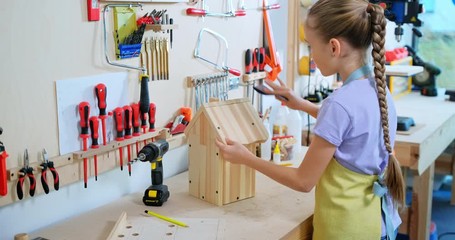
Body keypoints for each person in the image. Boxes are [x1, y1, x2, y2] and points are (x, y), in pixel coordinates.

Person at [215, 0, 406, 239]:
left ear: (334, 47)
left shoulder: (339, 104)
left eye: (311, 46)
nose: (312, 54)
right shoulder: (378, 88)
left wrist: (246, 158)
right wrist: (303, 105)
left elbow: (303, 181)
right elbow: (353, 128)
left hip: (344, 228)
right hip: (375, 221)